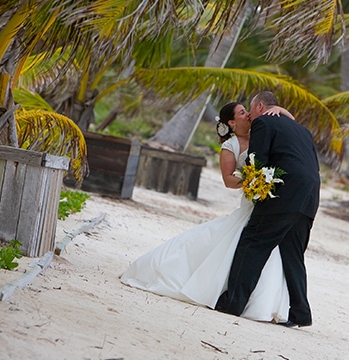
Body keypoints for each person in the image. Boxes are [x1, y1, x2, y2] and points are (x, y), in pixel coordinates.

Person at [119, 100, 295, 322]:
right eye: (242, 112)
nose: (248, 114)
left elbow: (292, 128)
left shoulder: (262, 131)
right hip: (252, 196)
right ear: (231, 122)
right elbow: (229, 180)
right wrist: (252, 179)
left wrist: (280, 110)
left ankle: (263, 301)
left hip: (267, 199)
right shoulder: (230, 146)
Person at [215, 91, 321, 327]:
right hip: (310, 196)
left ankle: (233, 303)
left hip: (283, 194)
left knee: (252, 243)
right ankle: (300, 313)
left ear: (260, 107)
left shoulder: (262, 121)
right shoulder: (302, 130)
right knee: (293, 255)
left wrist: (257, 186)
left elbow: (257, 159)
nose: (250, 116)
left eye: (250, 111)